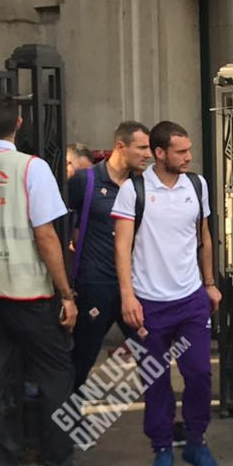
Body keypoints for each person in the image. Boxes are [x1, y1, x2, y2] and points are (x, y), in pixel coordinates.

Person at [0, 90, 108, 466]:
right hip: (28, 291)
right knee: (57, 379)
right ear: (19, 124)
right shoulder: (31, 169)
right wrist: (66, 293)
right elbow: (46, 235)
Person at [114, 120, 222, 466]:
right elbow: (122, 246)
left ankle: (196, 441)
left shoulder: (197, 185)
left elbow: (204, 237)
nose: (188, 157)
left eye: (189, 150)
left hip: (191, 299)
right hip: (149, 303)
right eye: (181, 152)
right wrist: (127, 296)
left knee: (199, 373)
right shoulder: (134, 190)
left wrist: (209, 283)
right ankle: (161, 447)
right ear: (160, 153)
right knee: (155, 379)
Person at [66, 121, 150, 389]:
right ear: (120, 146)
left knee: (151, 356)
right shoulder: (85, 181)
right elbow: (61, 225)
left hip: (135, 287)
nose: (148, 154)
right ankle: (68, 411)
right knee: (82, 357)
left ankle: (162, 413)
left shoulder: (144, 185)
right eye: (142, 148)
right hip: (94, 285)